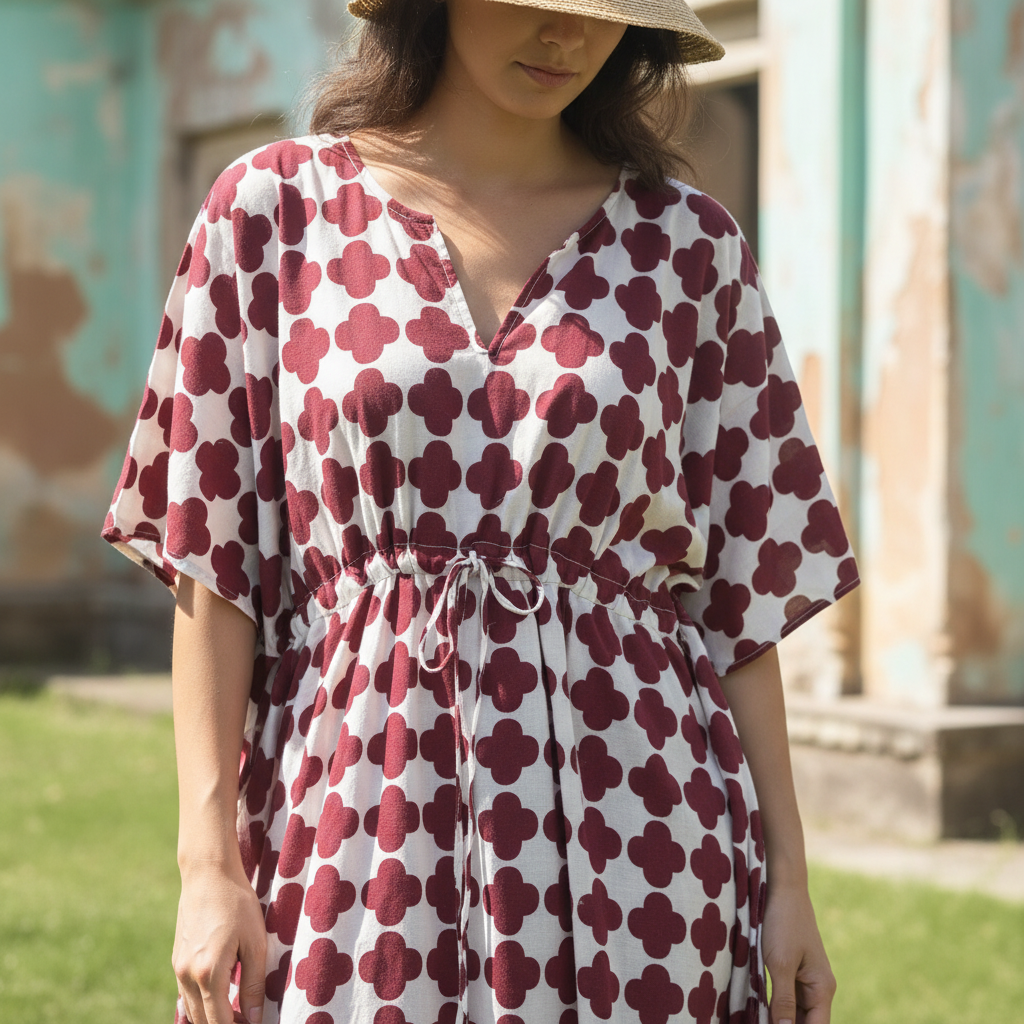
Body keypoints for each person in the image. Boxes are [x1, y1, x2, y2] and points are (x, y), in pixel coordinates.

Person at [103, 2, 858, 1023]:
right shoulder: (274, 209)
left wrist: (788, 880)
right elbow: (215, 560)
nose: (566, 36)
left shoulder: (688, 248)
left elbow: (738, 601)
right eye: (534, 1)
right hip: (354, 812)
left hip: (642, 829)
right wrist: (206, 866)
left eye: (601, 13)